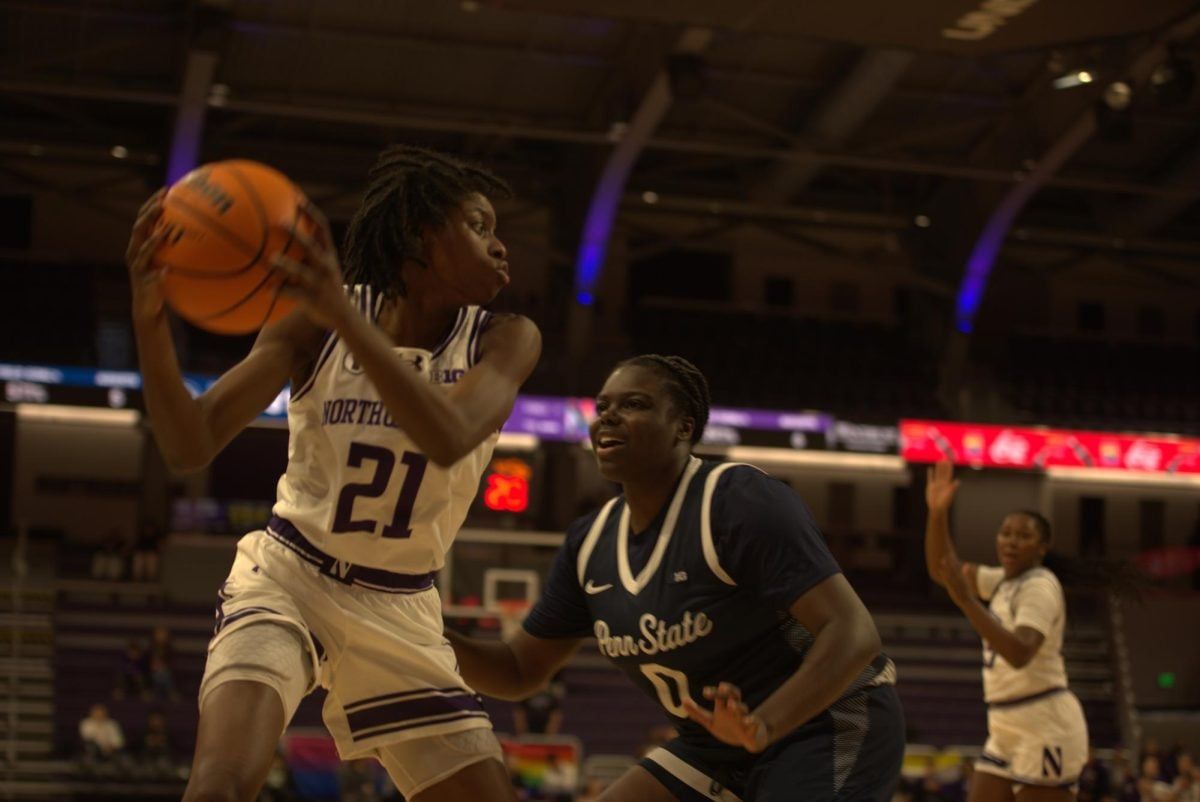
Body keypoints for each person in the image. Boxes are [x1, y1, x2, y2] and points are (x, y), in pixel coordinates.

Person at [126, 144, 541, 802]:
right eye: (478, 225)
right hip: (290, 577)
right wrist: (149, 322)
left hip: (402, 608)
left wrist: (344, 315)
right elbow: (189, 444)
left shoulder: (506, 337)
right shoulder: (313, 325)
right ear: (420, 236)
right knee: (220, 786)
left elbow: (449, 435)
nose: (499, 247)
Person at [448, 355, 904, 801]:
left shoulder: (737, 501)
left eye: (634, 404)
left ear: (684, 427)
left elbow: (855, 632)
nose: (609, 417)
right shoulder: (589, 543)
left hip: (824, 723)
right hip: (714, 745)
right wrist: (417, 628)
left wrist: (763, 724)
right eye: (603, 406)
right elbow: (518, 670)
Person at [924, 460, 1089, 802]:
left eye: (1024, 536)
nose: (1011, 541)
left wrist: (968, 602)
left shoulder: (1040, 586)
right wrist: (937, 515)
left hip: (1045, 721)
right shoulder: (1001, 580)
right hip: (1004, 723)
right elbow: (943, 570)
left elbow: (1019, 653)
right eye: (1006, 533)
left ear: (1042, 547)